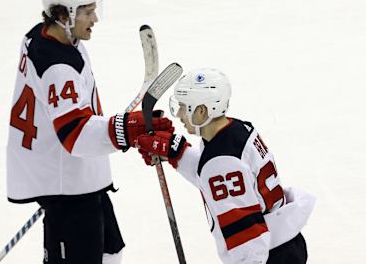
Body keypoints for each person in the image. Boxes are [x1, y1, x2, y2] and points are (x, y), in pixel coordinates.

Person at [6, 0, 173, 264]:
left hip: (72, 173)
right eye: (86, 11)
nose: (94, 18)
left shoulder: (41, 36)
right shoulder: (58, 67)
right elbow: (77, 136)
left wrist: (118, 127)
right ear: (62, 14)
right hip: (64, 183)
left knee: (110, 251)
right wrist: (128, 129)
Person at [134, 68, 315, 264]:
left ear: (201, 111)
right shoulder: (234, 130)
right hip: (286, 245)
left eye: (184, 106)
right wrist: (176, 151)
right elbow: (214, 174)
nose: (178, 114)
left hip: (268, 256)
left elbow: (249, 239)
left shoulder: (221, 162)